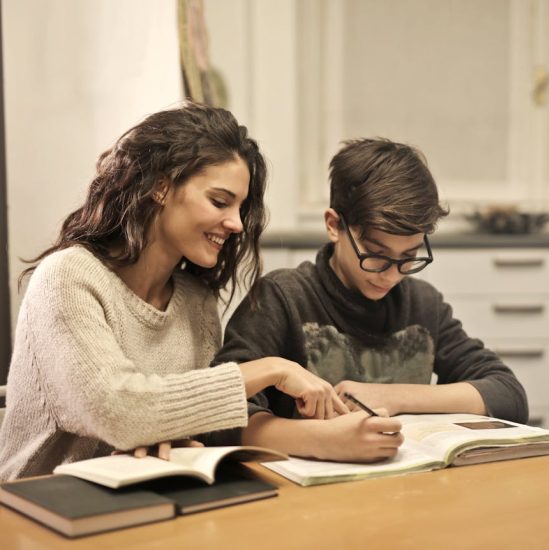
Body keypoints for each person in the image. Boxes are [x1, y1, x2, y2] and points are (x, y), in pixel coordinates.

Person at [0, 102, 346, 482]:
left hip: (145, 503)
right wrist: (272, 368)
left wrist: (169, 438)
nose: (234, 223)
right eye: (219, 201)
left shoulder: (196, 302)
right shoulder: (66, 278)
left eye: (240, 207)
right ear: (161, 187)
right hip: (36, 515)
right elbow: (120, 412)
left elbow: (175, 426)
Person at [213, 138, 528, 462]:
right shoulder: (282, 299)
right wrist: (321, 440)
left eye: (408, 256)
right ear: (334, 225)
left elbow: (507, 394)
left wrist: (390, 396)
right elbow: (217, 415)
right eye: (376, 256)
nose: (391, 275)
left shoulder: (423, 304)